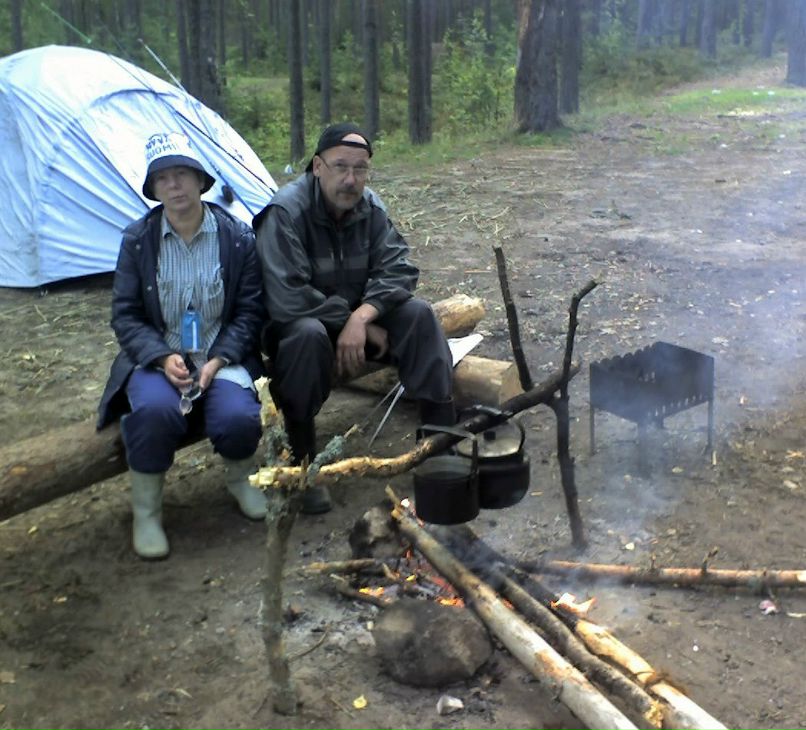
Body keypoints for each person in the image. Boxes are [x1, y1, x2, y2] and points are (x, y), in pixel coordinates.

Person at [253, 122, 455, 515]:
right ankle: (302, 463)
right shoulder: (285, 212)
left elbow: (399, 269)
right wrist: (349, 321)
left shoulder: (370, 207)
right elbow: (288, 296)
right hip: (298, 329)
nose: (350, 179)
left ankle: (440, 444)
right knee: (307, 334)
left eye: (360, 169)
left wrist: (362, 318)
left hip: (358, 325)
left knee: (419, 315)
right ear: (316, 167)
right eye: (340, 167)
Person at [97, 132, 267, 560]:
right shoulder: (138, 241)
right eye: (163, 179)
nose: (174, 186)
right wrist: (159, 355)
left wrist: (219, 359)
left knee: (239, 417)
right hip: (158, 360)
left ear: (201, 181)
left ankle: (241, 482)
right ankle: (147, 513)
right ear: (154, 189)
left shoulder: (236, 238)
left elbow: (250, 311)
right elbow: (126, 315)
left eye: (182, 175)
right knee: (152, 413)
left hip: (219, 355)